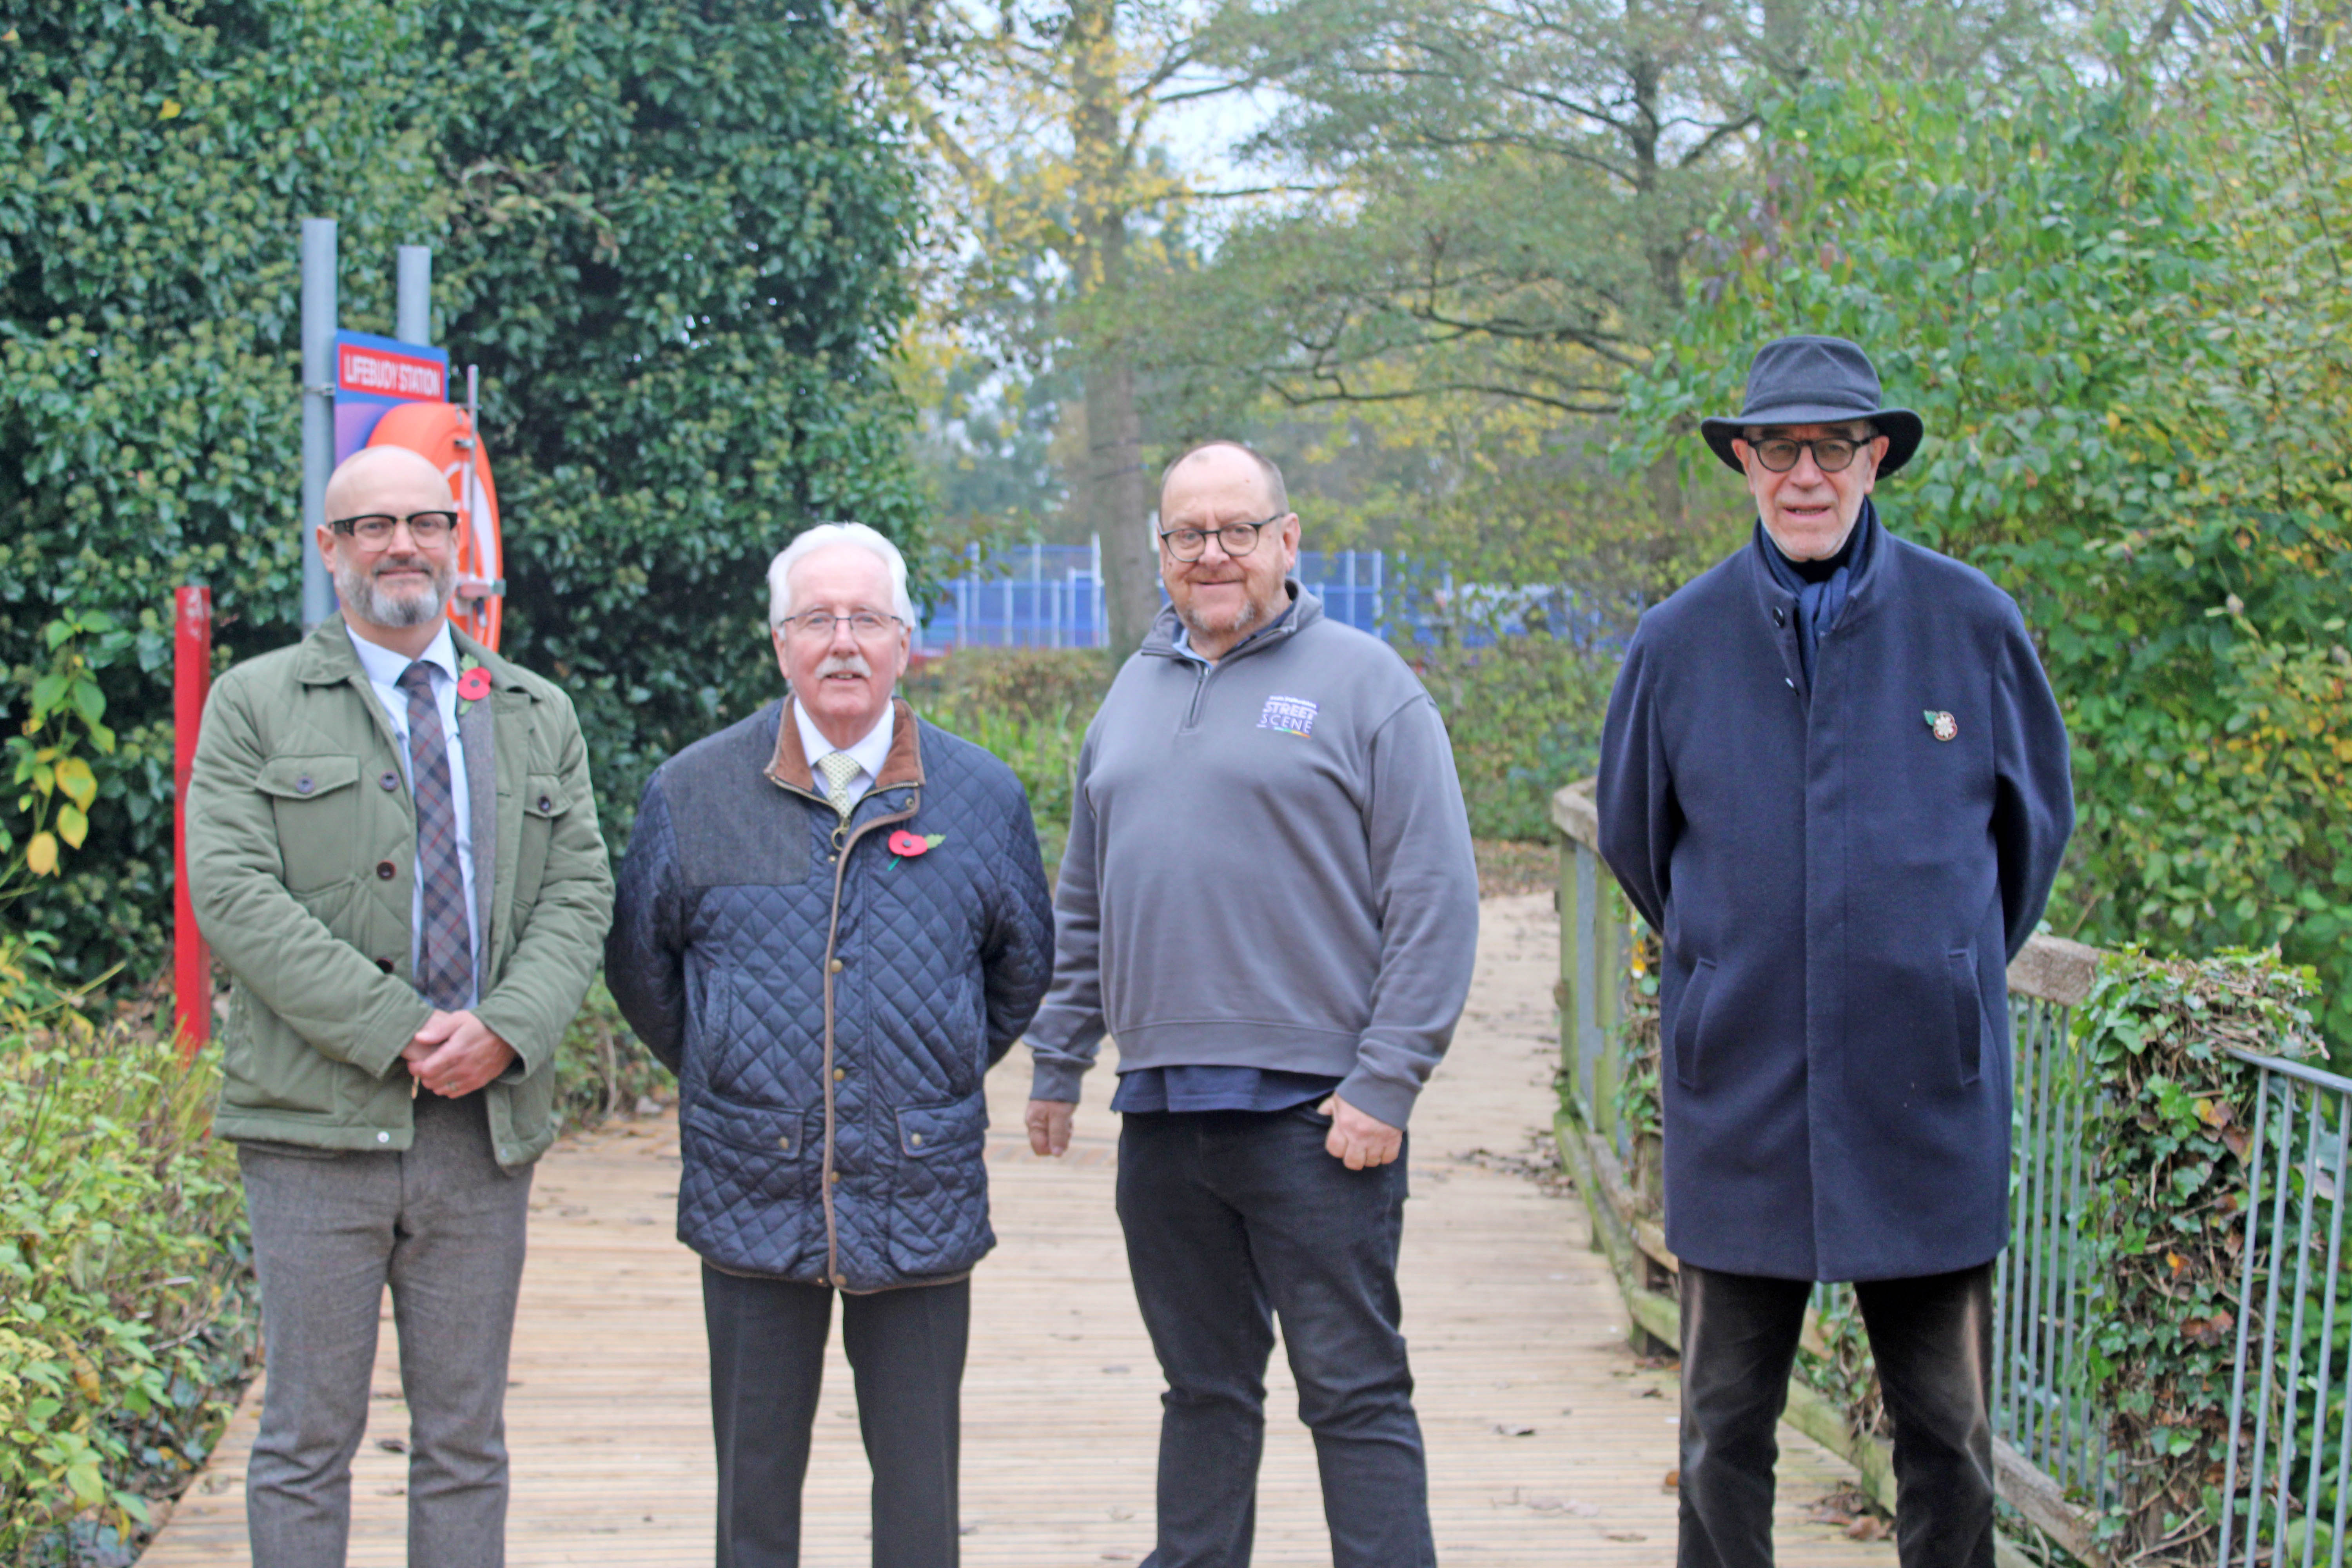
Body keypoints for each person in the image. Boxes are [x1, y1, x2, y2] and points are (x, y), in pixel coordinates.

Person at [1595, 335, 2075, 1567]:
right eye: (1779, 450)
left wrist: (1936, 964)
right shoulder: (1678, 642)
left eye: (1832, 449)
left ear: (1875, 462)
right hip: (1743, 1095)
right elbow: (1638, 843)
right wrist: (1735, 965)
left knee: (1951, 1436)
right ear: (1746, 463)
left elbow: (2030, 835)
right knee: (1717, 1434)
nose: (1804, 475)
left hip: (1925, 1101)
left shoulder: (1971, 625)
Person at [1024, 441, 1481, 1568]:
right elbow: (1085, 896)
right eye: (1188, 534)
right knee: (1203, 1390)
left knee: (1354, 1391)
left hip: (1319, 1123)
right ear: (1162, 553)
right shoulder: (1130, 693)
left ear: (1286, 541)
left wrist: (1387, 1082)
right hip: (1166, 1117)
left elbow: (1436, 901)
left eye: (1236, 530)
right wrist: (1058, 1056)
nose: (1212, 554)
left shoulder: (1370, 686)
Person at [186, 444, 613, 1568]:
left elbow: (580, 889)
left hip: (480, 1130)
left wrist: (510, 1027)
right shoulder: (256, 705)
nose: (402, 545)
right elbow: (231, 891)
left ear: (455, 542)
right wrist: (397, 1031)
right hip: (312, 1134)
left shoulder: (532, 711)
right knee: (304, 1436)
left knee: (467, 1441)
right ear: (330, 552)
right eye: (371, 527)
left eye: (425, 521)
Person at [603, 522, 1054, 1568]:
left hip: (920, 1183)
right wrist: (733, 1071)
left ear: (905, 641)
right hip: (751, 1188)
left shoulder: (978, 797)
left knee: (921, 1496)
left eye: (866, 619)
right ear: (779, 645)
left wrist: (925, 1068)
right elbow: (644, 968)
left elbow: (1019, 969)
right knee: (753, 1496)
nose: (842, 641)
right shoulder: (703, 792)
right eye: (817, 619)